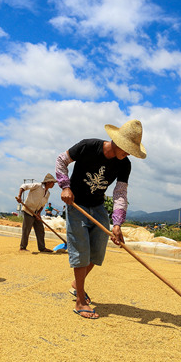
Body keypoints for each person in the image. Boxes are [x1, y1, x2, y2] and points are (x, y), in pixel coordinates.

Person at [55, 119, 146, 319]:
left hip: (97, 206)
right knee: (81, 250)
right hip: (76, 204)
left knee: (97, 252)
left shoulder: (125, 165)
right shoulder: (88, 146)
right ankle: (80, 300)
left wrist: (117, 224)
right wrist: (65, 186)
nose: (128, 153)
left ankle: (75, 285)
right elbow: (61, 160)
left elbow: (120, 193)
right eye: (127, 148)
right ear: (117, 141)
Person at [16, 174, 57, 253]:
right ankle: (22, 247)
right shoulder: (37, 186)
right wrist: (19, 196)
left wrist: (38, 213)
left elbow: (42, 205)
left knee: (40, 230)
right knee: (26, 229)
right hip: (28, 210)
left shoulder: (48, 193)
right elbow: (23, 186)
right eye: (53, 183)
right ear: (48, 182)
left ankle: (42, 248)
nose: (54, 184)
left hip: (36, 213)